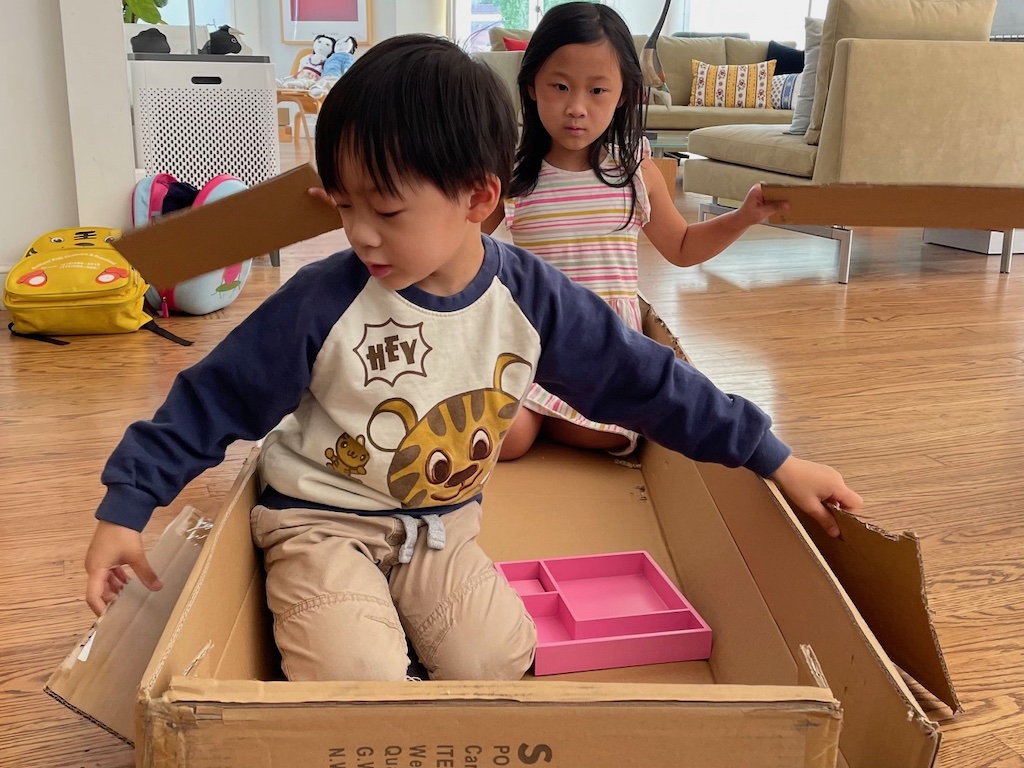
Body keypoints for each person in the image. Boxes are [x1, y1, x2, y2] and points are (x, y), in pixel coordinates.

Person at [84, 34, 861, 684]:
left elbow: (649, 381)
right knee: (358, 681)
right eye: (344, 203)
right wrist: (126, 505)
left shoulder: (533, 300)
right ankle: (356, 634)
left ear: (479, 198)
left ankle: (399, 635)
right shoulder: (324, 301)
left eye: (385, 210)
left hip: (441, 524)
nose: (359, 233)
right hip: (320, 520)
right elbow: (213, 397)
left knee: (496, 660)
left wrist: (774, 458)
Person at [484, 2, 786, 460]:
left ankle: (557, 420)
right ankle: (543, 418)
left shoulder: (633, 169)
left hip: (607, 348)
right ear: (531, 86)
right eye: (560, 86)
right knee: (506, 442)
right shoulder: (514, 174)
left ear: (623, 93)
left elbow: (682, 247)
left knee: (611, 435)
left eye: (598, 90)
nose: (576, 108)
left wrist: (742, 216)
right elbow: (462, 240)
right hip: (532, 340)